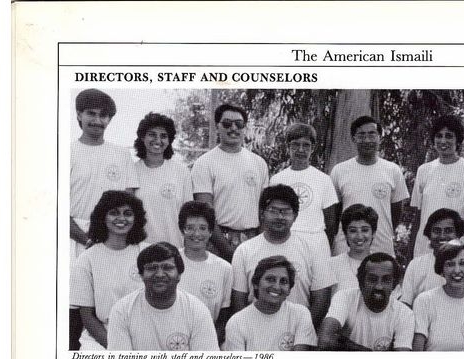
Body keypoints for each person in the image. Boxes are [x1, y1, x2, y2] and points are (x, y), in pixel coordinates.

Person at [229, 185, 336, 325]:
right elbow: (239, 302)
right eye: (273, 211)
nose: (280, 217)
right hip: (255, 331)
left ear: (295, 216)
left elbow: (321, 301)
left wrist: (301, 332)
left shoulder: (313, 249)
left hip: (298, 332)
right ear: (262, 214)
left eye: (285, 212)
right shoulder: (244, 251)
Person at [70, 190, 150, 351]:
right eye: (114, 213)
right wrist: (117, 348)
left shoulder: (148, 253)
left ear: (136, 219)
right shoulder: (87, 259)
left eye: (128, 214)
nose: (121, 218)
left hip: (146, 334)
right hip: (101, 339)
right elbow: (87, 317)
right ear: (102, 217)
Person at [106, 242, 220, 351]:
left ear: (179, 274)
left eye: (167, 267)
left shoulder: (197, 310)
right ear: (141, 275)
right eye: (152, 268)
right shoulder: (122, 310)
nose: (160, 274)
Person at [191, 103, 270, 261]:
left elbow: (264, 209)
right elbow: (205, 212)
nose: (233, 128)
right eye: (227, 123)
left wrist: (260, 243)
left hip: (252, 241)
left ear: (244, 128)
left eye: (239, 124)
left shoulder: (259, 163)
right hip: (216, 241)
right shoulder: (204, 163)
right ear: (217, 126)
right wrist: (227, 250)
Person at [407, 115, 464, 258]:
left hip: (457, 249)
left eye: (449, 136)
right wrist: (410, 253)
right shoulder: (424, 170)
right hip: (425, 249)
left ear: (458, 141)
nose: (443, 141)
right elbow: (419, 216)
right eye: (439, 136)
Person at [70, 89, 138, 257]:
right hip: (72, 240)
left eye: (103, 116)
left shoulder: (121, 154)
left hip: (112, 239)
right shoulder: (66, 152)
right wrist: (85, 239)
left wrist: (111, 236)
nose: (97, 121)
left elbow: (128, 203)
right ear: (79, 115)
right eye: (91, 114)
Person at [330, 115, 408, 257]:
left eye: (372, 135)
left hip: (381, 247)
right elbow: (334, 213)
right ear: (354, 139)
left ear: (380, 138)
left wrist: (380, 230)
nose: (367, 140)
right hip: (346, 248)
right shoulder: (339, 170)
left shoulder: (392, 170)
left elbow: (396, 212)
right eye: (361, 135)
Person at [317, 253, 414, 351]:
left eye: (386, 280)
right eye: (372, 280)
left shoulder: (405, 314)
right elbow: (325, 340)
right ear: (361, 282)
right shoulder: (345, 297)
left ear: (394, 284)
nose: (379, 286)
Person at [269, 122, 339, 255]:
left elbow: (330, 222)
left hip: (316, 243)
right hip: (285, 242)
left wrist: (323, 246)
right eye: (295, 144)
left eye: (306, 145)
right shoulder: (277, 179)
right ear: (288, 147)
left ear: (313, 149)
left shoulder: (323, 179)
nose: (301, 150)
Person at [223, 255, 318, 352]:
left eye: (283, 281)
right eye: (270, 279)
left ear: (289, 289)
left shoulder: (300, 314)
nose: (277, 287)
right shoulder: (237, 322)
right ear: (256, 284)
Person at [412, 240, 464, 352]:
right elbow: (417, 352)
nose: (457, 270)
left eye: (463, 263)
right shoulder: (425, 301)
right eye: (450, 264)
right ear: (441, 269)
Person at [131, 112, 194, 247]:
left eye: (163, 136)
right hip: (140, 249)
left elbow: (189, 216)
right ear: (142, 137)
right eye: (152, 134)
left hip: (175, 247)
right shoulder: (131, 171)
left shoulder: (182, 172)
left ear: (169, 140)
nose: (158, 140)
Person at [400, 209, 464, 307]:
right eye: (437, 231)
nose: (442, 236)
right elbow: (406, 304)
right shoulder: (416, 265)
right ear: (429, 234)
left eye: (448, 231)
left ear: (458, 234)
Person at [176, 201, 234, 343]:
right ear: (182, 230)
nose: (196, 234)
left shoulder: (224, 268)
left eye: (202, 228)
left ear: (210, 231)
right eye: (189, 228)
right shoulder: (171, 261)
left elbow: (223, 316)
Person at [328, 204, 378, 295]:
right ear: (345, 234)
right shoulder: (332, 265)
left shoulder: (381, 265)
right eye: (353, 230)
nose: (359, 236)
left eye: (365, 230)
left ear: (373, 233)